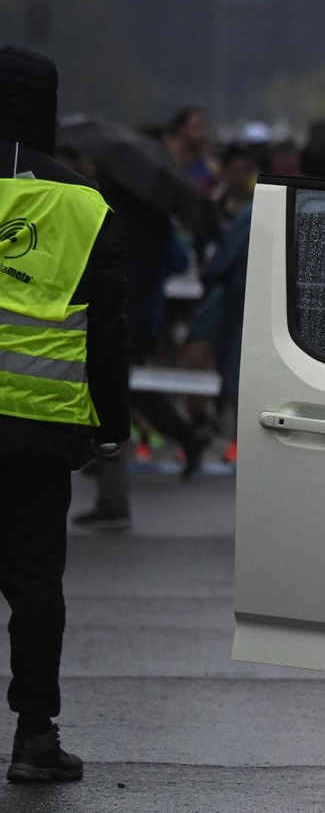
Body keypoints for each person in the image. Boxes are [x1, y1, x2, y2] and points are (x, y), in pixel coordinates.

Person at [0, 45, 131, 783]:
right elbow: (108, 330)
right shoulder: (83, 202)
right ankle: (33, 737)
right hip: (40, 428)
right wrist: (112, 422)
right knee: (34, 589)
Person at [164, 107, 216, 195]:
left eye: (204, 128)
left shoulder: (212, 169)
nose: (203, 133)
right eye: (197, 127)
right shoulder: (168, 163)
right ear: (182, 129)